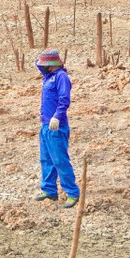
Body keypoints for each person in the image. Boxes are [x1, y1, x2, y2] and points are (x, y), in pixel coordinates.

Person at [34, 49, 80, 209]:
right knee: (46, 159)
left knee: (60, 160)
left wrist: (57, 116)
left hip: (56, 125)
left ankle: (72, 192)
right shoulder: (48, 77)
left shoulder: (61, 77)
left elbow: (64, 99)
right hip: (45, 125)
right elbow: (37, 64)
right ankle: (49, 189)